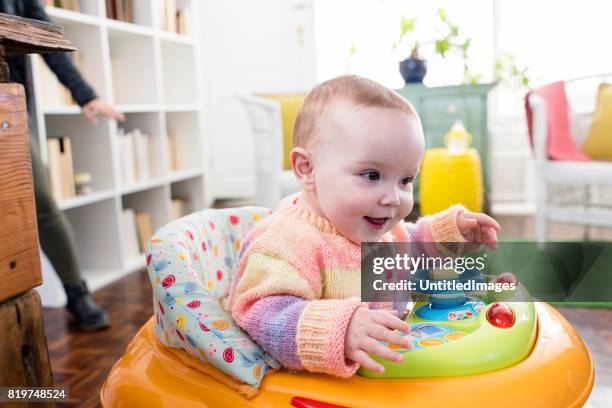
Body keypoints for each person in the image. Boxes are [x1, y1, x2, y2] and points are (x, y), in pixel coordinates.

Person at [226, 75, 500, 376]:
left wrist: (450, 234)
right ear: (308, 169)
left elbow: (407, 247)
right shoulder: (285, 242)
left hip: (384, 372)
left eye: (406, 180)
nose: (393, 198)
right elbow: (261, 315)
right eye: (371, 175)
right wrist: (339, 330)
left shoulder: (377, 226)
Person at [0, 0, 125, 330]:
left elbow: (49, 43)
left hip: (6, 107)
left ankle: (76, 293)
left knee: (40, 201)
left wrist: (86, 95)